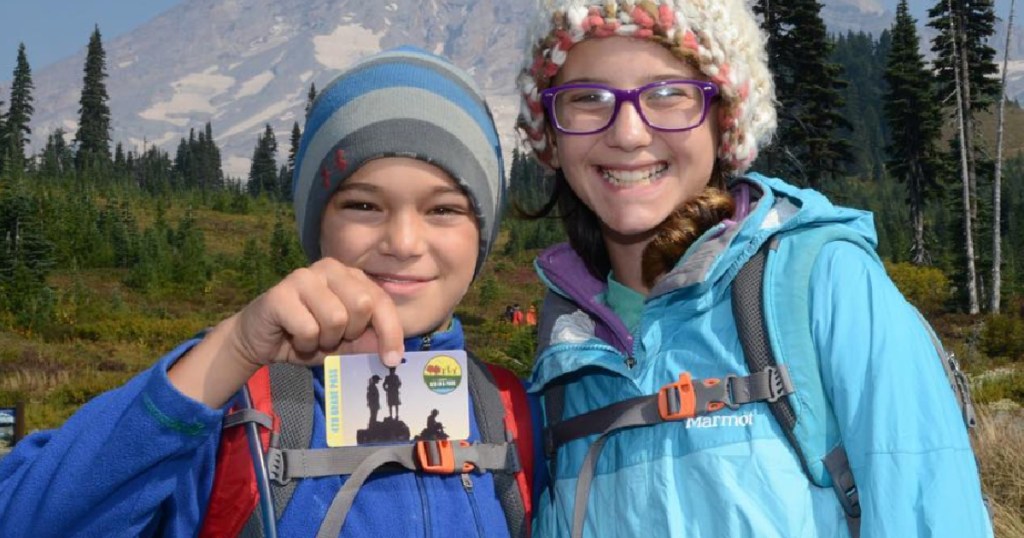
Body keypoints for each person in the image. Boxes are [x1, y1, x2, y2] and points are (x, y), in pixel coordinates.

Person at [0, 47, 531, 538]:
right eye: (364, 206)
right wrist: (229, 352)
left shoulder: (511, 417)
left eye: (443, 209)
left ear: (481, 236)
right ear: (316, 224)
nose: (404, 242)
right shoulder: (232, 409)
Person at [515, 1, 993, 536]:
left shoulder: (821, 283)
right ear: (552, 135)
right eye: (587, 98)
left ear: (724, 119)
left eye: (669, 94)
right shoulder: (564, 352)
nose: (628, 133)